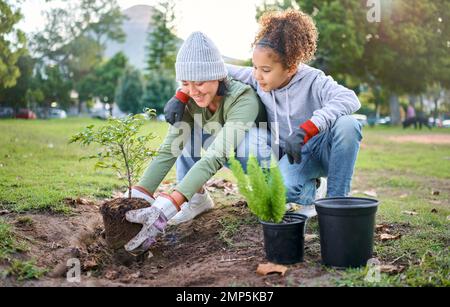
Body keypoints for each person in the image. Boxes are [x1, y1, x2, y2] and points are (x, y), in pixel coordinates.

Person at [165, 9, 363, 218]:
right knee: (280, 189)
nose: (257, 76)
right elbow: (208, 70)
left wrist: (308, 129)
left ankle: (336, 204)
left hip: (320, 148)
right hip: (291, 155)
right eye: (254, 67)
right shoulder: (256, 77)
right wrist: (181, 95)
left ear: (291, 67)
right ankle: (311, 190)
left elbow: (350, 99)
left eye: (266, 70)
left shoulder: (314, 80)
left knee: (348, 124)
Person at [123, 32, 271, 254]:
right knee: (184, 131)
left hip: (261, 158)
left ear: (218, 76)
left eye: (199, 83)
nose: (193, 92)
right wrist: (139, 195)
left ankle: (274, 192)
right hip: (224, 149)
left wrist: (170, 203)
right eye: (185, 84)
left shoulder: (243, 98)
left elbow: (217, 154)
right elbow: (169, 149)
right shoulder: (191, 99)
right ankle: (198, 198)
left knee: (247, 142)